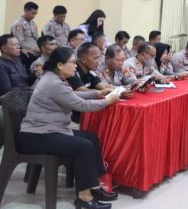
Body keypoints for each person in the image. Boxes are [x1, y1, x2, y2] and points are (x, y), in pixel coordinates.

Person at [17, 47, 119, 209]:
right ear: (60, 65)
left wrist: (97, 94)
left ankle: (95, 186)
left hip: (50, 130)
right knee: (84, 146)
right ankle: (84, 198)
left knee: (91, 138)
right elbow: (82, 105)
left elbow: (71, 95)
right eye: (72, 62)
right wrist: (107, 101)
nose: (76, 66)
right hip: (36, 136)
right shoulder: (52, 82)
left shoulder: (55, 78)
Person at [11, 1, 40, 70]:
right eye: (32, 13)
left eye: (35, 14)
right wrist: (34, 49)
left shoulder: (33, 24)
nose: (34, 16)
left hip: (35, 49)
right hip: (25, 51)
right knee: (33, 58)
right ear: (25, 10)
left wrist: (40, 48)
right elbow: (19, 41)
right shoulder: (18, 24)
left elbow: (37, 39)